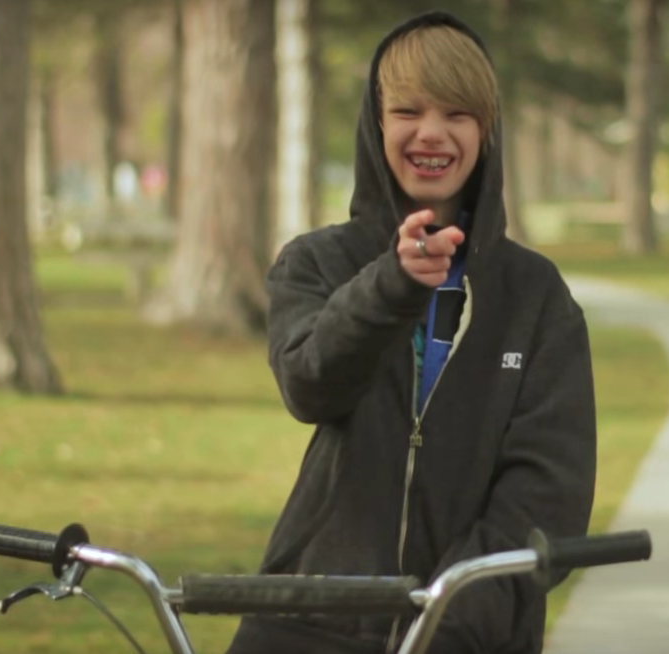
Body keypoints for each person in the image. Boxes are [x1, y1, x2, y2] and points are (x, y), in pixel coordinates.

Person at [226, 10, 596, 654]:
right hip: (312, 624)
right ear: (376, 123)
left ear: (486, 130)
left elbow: (548, 497)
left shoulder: (537, 297)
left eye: (457, 113)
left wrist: (447, 622)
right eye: (407, 110)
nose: (431, 132)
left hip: (466, 637)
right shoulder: (316, 263)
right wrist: (390, 286)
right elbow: (310, 384)